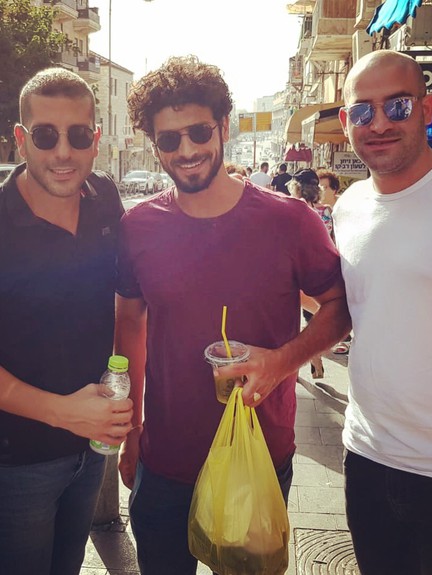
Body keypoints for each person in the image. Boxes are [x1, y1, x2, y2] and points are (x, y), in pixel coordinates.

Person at [115, 55, 350, 575]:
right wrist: (132, 431)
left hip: (258, 455)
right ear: (154, 144)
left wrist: (280, 362)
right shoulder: (139, 227)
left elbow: (339, 308)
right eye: (168, 139)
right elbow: (129, 326)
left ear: (224, 126)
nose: (186, 150)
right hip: (165, 461)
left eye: (199, 131)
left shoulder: (290, 220)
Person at [0, 68, 133, 575]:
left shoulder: (105, 198)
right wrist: (62, 413)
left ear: (95, 140)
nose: (62, 152)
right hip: (16, 464)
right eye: (45, 135)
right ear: (21, 139)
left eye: (77, 135)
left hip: (90, 451)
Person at [334, 49, 432, 575]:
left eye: (396, 106)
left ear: (426, 108)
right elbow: (362, 305)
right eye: (363, 110)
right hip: (368, 457)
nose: (378, 123)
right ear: (345, 121)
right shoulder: (348, 207)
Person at [290, 168, 335, 379]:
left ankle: (306, 360)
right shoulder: (326, 211)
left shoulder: (291, 211)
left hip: (299, 273)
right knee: (316, 318)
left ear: (295, 188)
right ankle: (315, 356)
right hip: (324, 272)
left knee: (299, 320)